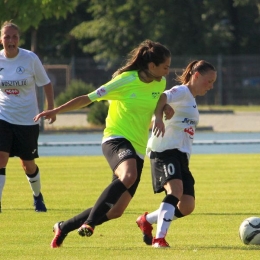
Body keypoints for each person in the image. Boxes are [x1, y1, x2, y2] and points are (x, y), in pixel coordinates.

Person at [33, 39, 171, 248]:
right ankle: (89, 224)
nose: (168, 72)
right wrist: (56, 110)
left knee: (115, 211)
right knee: (129, 175)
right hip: (116, 138)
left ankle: (63, 226)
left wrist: (162, 112)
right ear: (152, 66)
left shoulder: (160, 82)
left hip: (139, 147)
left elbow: (159, 99)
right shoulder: (125, 80)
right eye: (165, 67)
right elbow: (87, 98)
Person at [136, 60, 217, 248]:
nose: (211, 86)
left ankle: (146, 220)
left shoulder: (191, 101)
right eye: (209, 81)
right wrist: (159, 117)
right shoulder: (182, 91)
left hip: (180, 156)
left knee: (187, 205)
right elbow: (162, 97)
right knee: (175, 192)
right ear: (196, 76)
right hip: (164, 150)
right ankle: (159, 239)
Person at [0, 21, 56, 212]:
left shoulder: (30, 59)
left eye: (14, 36)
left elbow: (46, 84)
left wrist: (51, 108)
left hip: (27, 119)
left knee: (28, 165)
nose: (11, 40)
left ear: (19, 39)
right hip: (3, 116)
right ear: (1, 40)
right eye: (7, 36)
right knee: (0, 158)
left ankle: (37, 196)